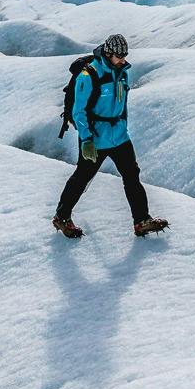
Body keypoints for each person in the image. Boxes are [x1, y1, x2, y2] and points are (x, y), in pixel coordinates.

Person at [54, 34, 169, 238]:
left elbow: (120, 105)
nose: (123, 59)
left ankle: (141, 220)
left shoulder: (122, 72)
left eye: (125, 55)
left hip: (120, 136)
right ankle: (62, 217)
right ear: (108, 53)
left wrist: (123, 127)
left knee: (132, 175)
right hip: (96, 138)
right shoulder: (88, 76)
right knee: (82, 177)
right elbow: (78, 112)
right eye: (119, 56)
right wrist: (87, 140)